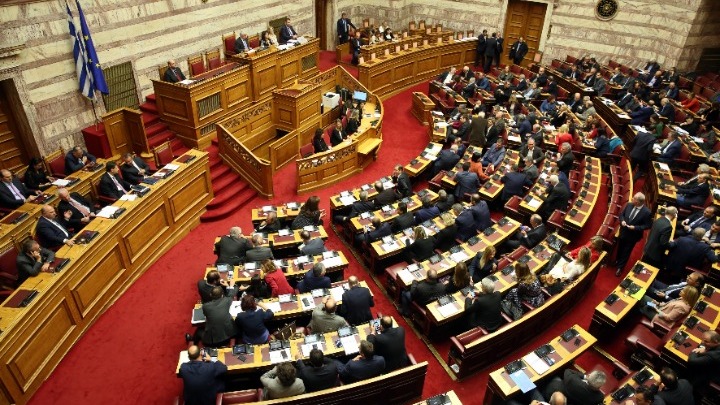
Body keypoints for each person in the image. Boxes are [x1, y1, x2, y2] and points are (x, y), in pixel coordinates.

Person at [614, 193, 653, 275]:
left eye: (634, 198)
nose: (632, 198)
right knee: (620, 247)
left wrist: (635, 227)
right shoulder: (629, 205)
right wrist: (622, 221)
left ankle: (620, 267)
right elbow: (622, 215)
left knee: (626, 251)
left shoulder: (647, 212)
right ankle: (617, 260)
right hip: (623, 231)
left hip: (633, 235)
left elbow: (648, 225)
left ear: (638, 202)